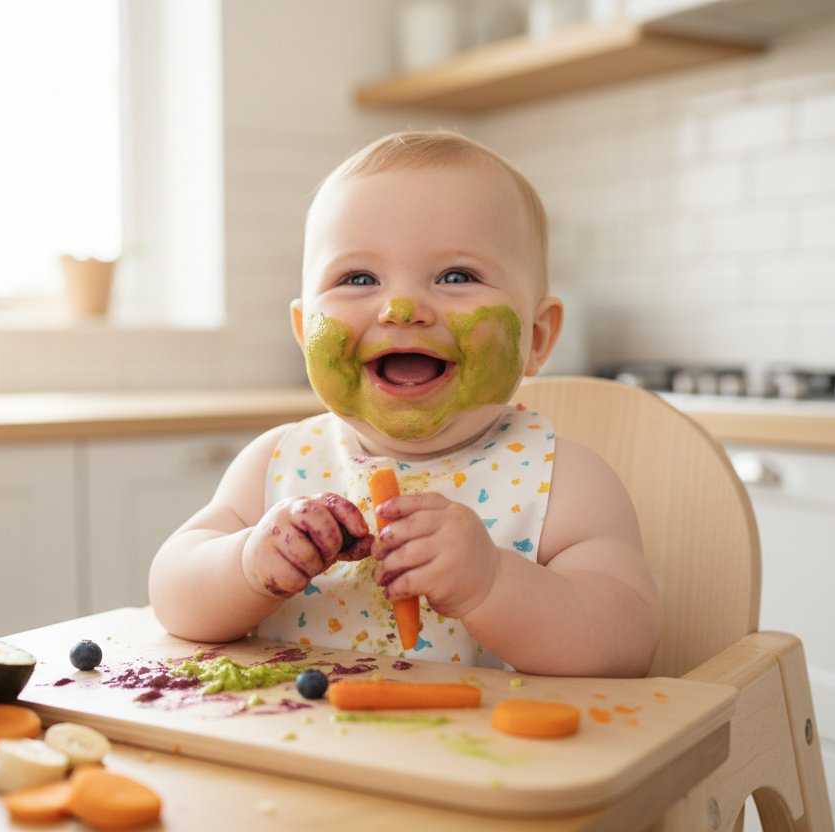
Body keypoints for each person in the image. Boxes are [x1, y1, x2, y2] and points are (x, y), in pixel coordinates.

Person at [149, 131, 662, 677]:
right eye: (358, 278)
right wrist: (247, 564)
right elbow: (171, 593)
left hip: (489, 756)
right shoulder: (276, 464)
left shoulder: (564, 480)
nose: (401, 308)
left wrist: (493, 582)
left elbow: (625, 641)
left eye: (456, 276)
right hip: (296, 750)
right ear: (304, 333)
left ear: (536, 337)